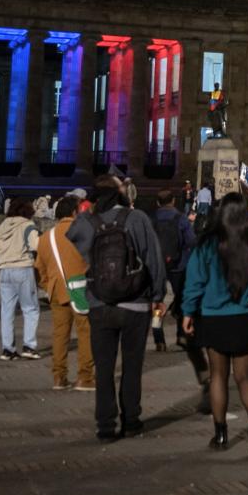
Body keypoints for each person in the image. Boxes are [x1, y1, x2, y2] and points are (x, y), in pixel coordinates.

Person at [67, 175, 167, 442]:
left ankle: (105, 425)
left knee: (104, 367)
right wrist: (158, 294)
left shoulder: (87, 221)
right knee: (133, 366)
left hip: (100, 303)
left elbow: (71, 236)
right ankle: (131, 421)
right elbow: (154, 258)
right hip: (136, 303)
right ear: (120, 193)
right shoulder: (137, 219)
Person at [181, 190, 248, 453]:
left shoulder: (207, 245)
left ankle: (221, 435)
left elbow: (195, 282)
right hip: (246, 317)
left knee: (218, 377)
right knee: (246, 377)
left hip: (214, 316)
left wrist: (188, 312)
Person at [35, 196, 95, 392]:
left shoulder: (45, 237)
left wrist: (48, 285)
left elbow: (39, 269)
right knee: (85, 333)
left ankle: (59, 377)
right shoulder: (84, 233)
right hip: (81, 289)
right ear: (74, 212)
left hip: (56, 289)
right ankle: (85, 377)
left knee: (60, 335)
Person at [153, 189, 200, 375]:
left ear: (157, 202)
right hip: (179, 266)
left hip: (157, 266)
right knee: (181, 298)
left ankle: (159, 339)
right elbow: (191, 241)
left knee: (157, 301)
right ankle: (181, 336)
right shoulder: (181, 219)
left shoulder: (151, 219)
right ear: (173, 201)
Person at [0, 197, 42, 361]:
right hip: (23, 268)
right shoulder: (28, 225)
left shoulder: (1, 227)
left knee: (7, 311)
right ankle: (29, 346)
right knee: (30, 309)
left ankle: (8, 349)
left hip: (4, 270)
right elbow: (35, 245)